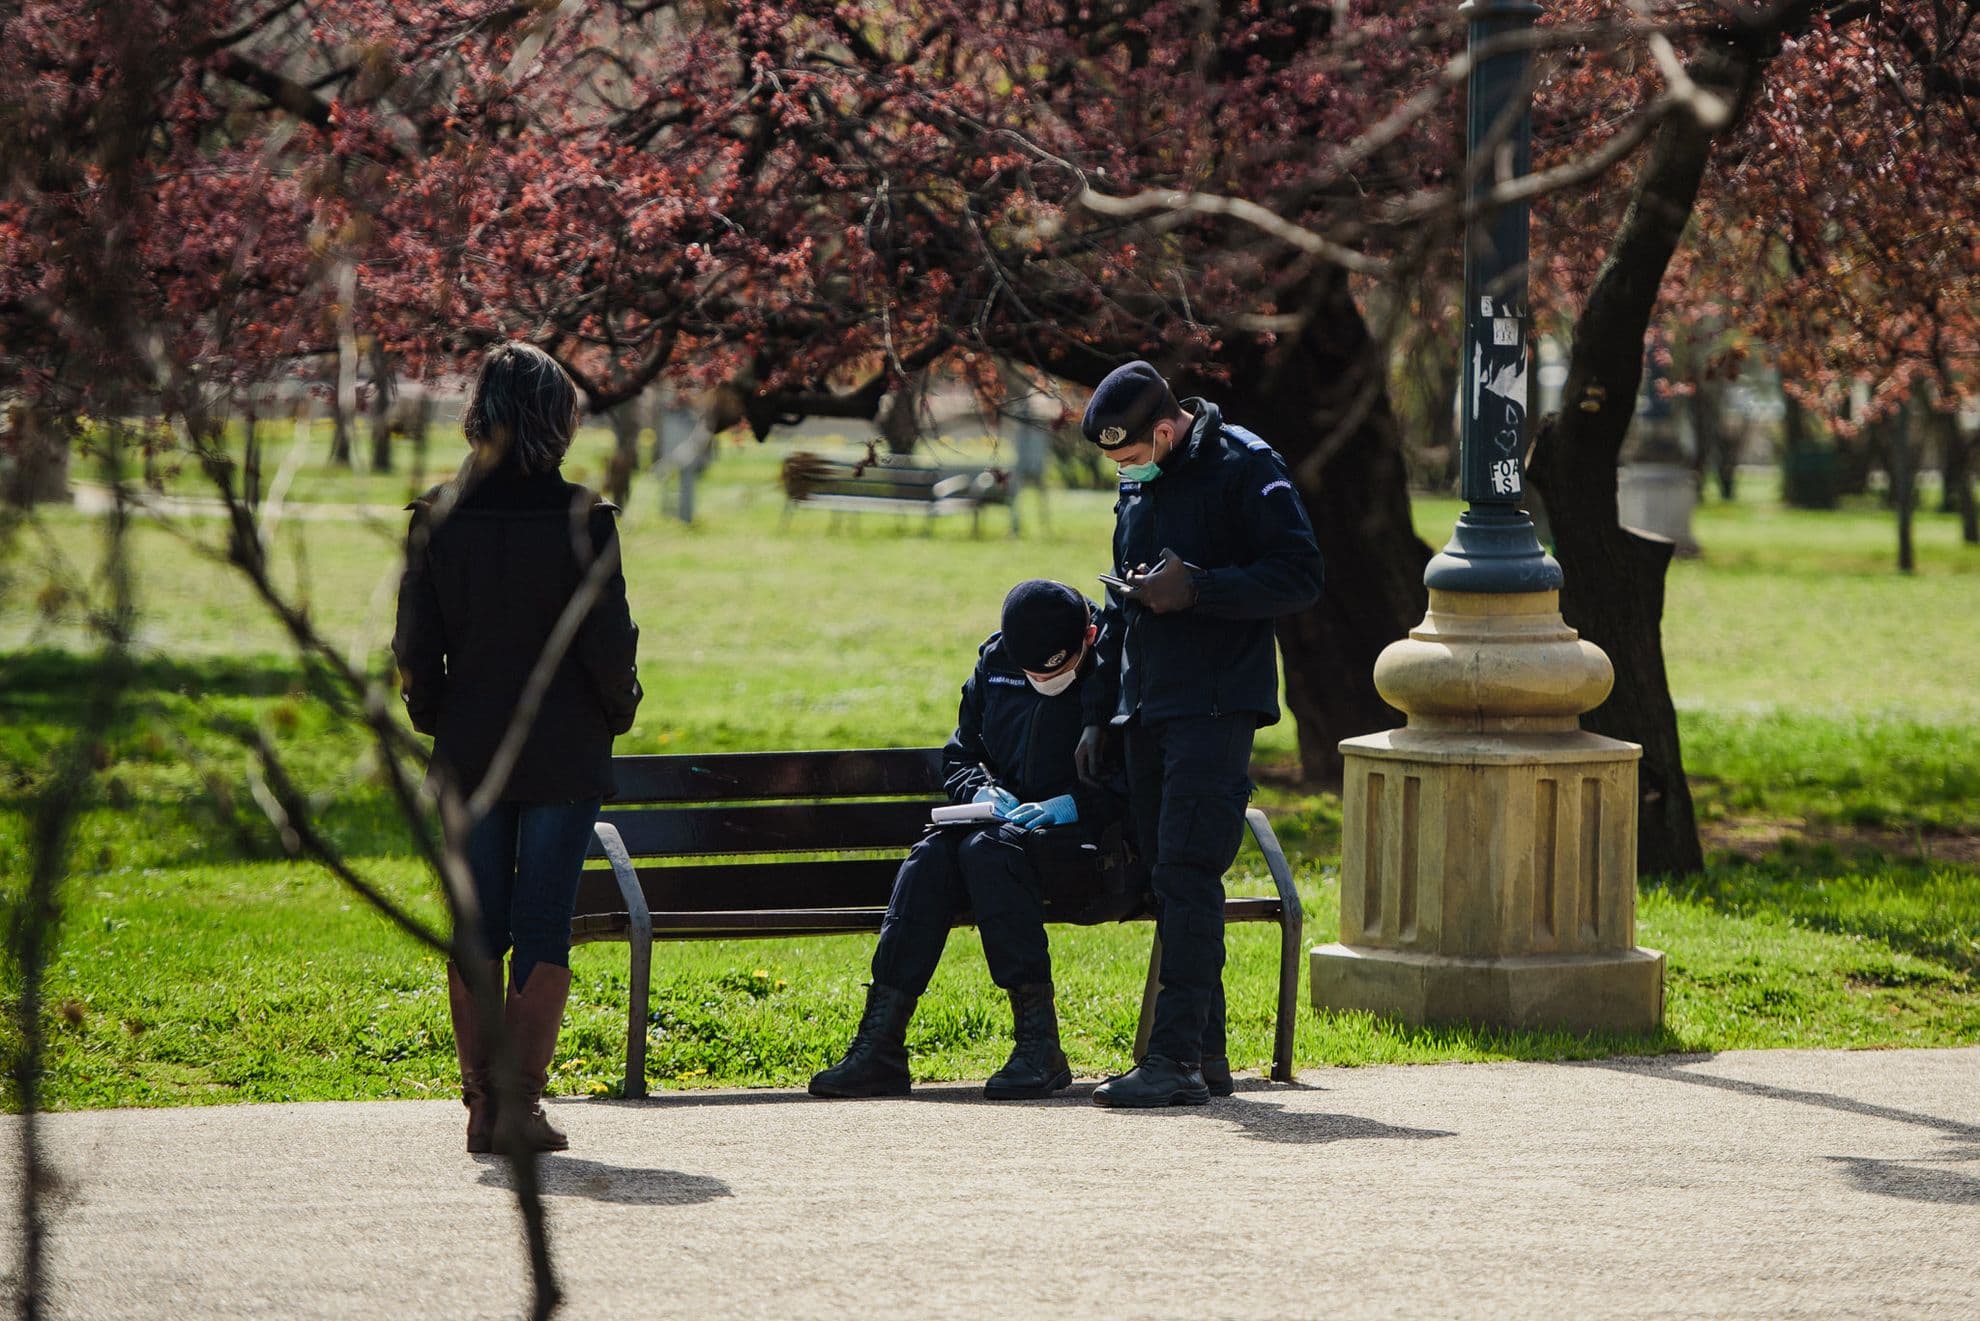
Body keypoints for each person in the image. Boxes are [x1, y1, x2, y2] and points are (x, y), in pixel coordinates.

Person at [393, 342, 642, 1153]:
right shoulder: (584, 519)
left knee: (476, 927)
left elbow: (413, 647)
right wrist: (617, 710)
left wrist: (438, 714)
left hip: (471, 744)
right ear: (558, 418)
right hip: (564, 747)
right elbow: (611, 647)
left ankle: (477, 1103)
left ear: (479, 415)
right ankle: (519, 1105)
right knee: (542, 925)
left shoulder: (436, 518)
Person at [1075, 360, 1322, 1108]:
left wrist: (1202, 589)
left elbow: (1299, 574)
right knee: (1165, 875)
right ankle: (1207, 1053)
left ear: (1164, 427)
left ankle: (1173, 1059)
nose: (1127, 473)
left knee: (1187, 871)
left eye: (1131, 457)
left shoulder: (1245, 465)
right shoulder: (1140, 481)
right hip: (1147, 705)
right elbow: (1122, 600)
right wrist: (1099, 711)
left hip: (1216, 704)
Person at [810, 579, 1123, 1101]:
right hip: (999, 839)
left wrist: (1069, 806)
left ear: (1088, 638)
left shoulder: (1116, 669)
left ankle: (1038, 1046)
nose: (1042, 679)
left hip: (1089, 852)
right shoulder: (997, 662)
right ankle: (880, 1044)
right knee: (932, 855)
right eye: (1031, 672)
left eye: (1054, 670)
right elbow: (959, 753)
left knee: (987, 851)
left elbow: (1136, 780)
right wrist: (980, 789)